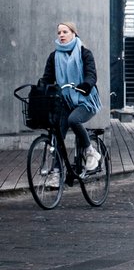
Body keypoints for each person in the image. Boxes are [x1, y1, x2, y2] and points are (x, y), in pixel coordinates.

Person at [40, 21, 102, 174]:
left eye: (65, 32)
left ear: (74, 33)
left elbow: (91, 75)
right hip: (66, 101)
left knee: (73, 120)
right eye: (59, 32)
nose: (61, 35)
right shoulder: (54, 56)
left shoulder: (84, 53)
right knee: (58, 134)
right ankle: (56, 172)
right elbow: (47, 78)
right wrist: (41, 87)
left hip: (86, 101)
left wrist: (86, 85)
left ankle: (90, 151)